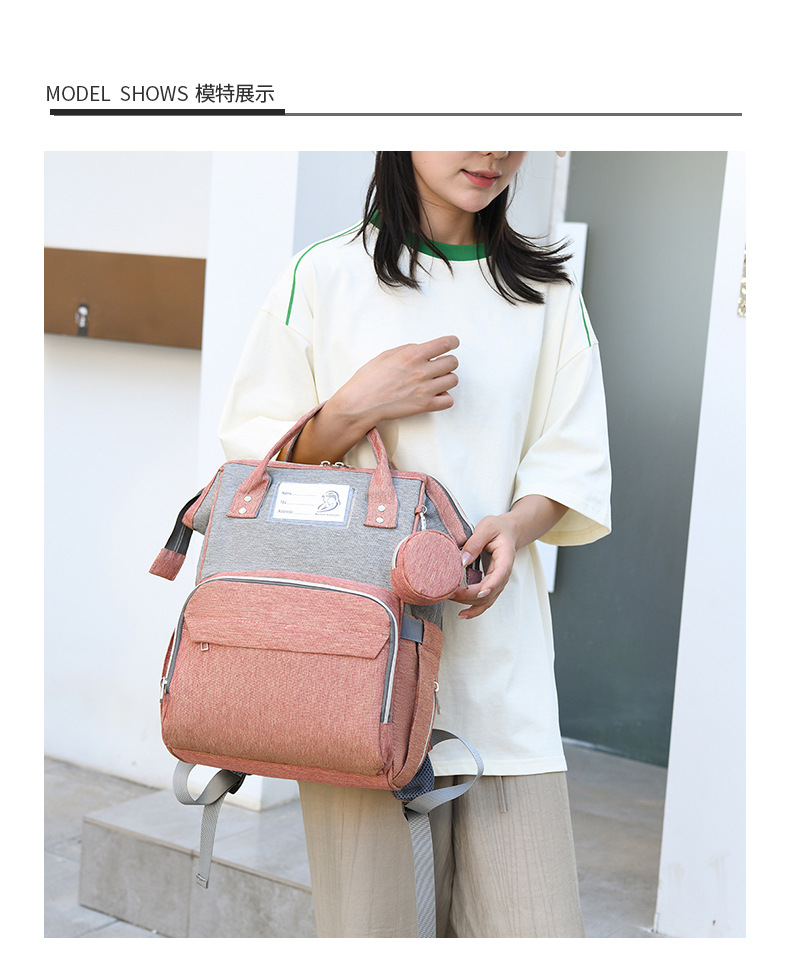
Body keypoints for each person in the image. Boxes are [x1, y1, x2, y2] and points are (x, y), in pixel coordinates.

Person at [219, 151, 612, 938]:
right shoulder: (323, 275)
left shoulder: (549, 294)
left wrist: (519, 524)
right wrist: (349, 411)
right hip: (357, 668)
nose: (494, 147)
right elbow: (252, 467)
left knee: (535, 928)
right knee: (375, 931)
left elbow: (571, 457)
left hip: (499, 664)